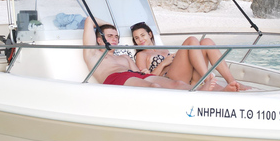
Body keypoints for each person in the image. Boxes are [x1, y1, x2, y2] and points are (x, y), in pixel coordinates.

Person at [83, 18, 237, 91]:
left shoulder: (124, 57)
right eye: (109, 36)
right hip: (116, 79)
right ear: (99, 39)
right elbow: (90, 20)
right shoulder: (93, 54)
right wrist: (107, 25)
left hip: (135, 76)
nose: (114, 39)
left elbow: (139, 72)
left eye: (116, 36)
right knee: (154, 86)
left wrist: (142, 71)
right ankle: (202, 87)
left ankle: (199, 91)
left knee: (177, 84)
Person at [131, 22, 245, 91]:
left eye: (142, 35)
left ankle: (232, 81)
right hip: (168, 78)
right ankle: (208, 80)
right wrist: (163, 63)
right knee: (191, 40)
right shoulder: (141, 55)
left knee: (207, 42)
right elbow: (144, 79)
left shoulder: (163, 49)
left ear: (149, 34)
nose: (140, 40)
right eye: (136, 38)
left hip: (186, 76)